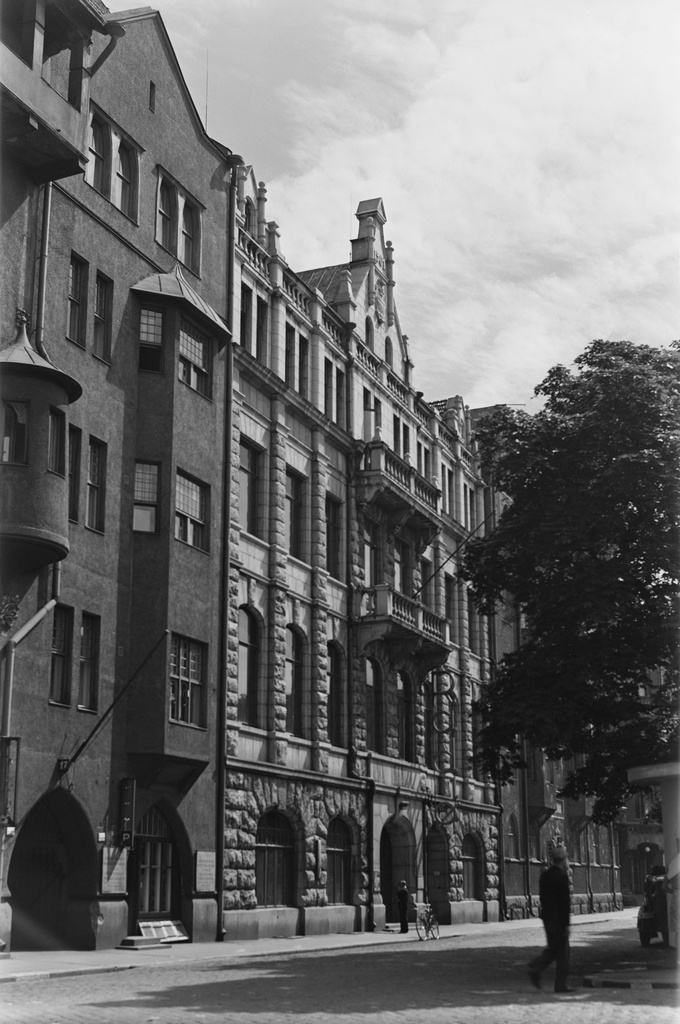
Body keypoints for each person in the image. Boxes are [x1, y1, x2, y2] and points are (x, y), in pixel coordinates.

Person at [528, 844, 573, 993]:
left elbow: (543, 897)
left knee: (553, 948)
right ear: (562, 860)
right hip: (559, 920)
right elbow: (565, 903)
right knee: (563, 954)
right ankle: (558, 983)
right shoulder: (562, 877)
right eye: (566, 858)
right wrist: (566, 924)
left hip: (548, 918)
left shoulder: (545, 876)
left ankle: (536, 968)